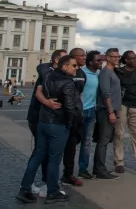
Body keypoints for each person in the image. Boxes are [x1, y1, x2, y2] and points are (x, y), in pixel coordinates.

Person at [16, 55, 81, 204]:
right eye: (73, 65)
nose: (76, 68)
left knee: (37, 155)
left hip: (43, 121)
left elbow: (39, 91)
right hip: (58, 124)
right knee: (54, 159)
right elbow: (70, 107)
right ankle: (52, 191)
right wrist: (70, 124)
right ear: (64, 67)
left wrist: (46, 102)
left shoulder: (48, 76)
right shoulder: (68, 83)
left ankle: (25, 189)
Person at [25, 49, 66, 197]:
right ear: (56, 61)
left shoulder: (52, 73)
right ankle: (43, 185)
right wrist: (47, 103)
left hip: (45, 118)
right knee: (42, 153)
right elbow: (39, 91)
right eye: (65, 58)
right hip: (40, 117)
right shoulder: (47, 72)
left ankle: (37, 185)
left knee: (43, 153)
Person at [59, 48, 87, 187]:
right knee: (55, 148)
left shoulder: (81, 73)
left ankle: (68, 174)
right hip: (62, 116)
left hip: (76, 115)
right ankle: (48, 178)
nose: (84, 58)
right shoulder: (62, 74)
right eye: (81, 56)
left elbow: (79, 93)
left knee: (71, 147)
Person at [93, 48, 121, 180]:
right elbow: (105, 93)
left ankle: (98, 168)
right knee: (103, 140)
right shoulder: (105, 73)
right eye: (114, 56)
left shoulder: (112, 72)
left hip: (111, 110)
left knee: (105, 140)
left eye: (118, 56)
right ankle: (100, 169)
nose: (117, 58)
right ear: (107, 58)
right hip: (106, 110)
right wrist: (110, 111)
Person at [78, 50, 102, 180]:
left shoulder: (98, 74)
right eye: (98, 60)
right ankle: (68, 171)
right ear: (90, 62)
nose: (100, 62)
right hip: (79, 111)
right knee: (71, 141)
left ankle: (83, 169)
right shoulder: (81, 73)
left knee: (86, 142)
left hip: (91, 111)